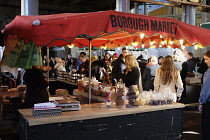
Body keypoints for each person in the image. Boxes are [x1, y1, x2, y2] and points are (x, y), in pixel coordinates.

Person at [198, 50, 210, 140]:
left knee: (207, 127)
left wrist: (201, 102)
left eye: (206, 59)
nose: (205, 61)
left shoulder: (209, 73)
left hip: (208, 103)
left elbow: (206, 89)